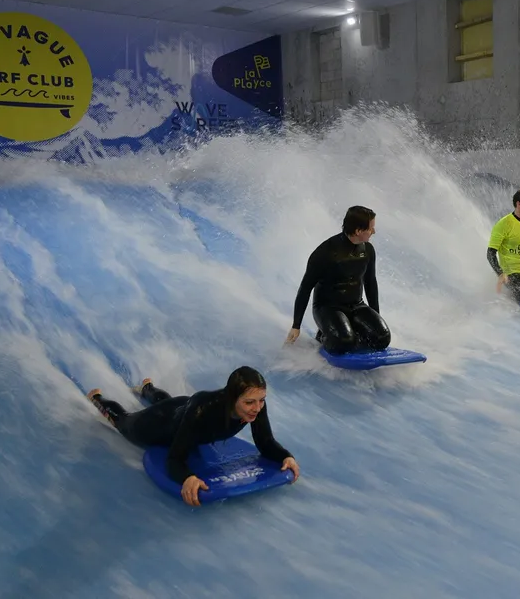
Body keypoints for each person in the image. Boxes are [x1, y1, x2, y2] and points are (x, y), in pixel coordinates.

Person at [87, 366, 299, 507]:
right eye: (249, 402)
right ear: (232, 397)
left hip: (183, 409)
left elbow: (265, 442)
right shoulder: (204, 411)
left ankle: (147, 388)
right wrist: (187, 477)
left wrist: (285, 456)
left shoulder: (256, 406)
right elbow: (174, 458)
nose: (257, 408)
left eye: (261, 400)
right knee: (124, 422)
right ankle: (97, 398)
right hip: (160, 424)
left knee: (169, 403)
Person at [284, 205, 391, 354]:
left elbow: (370, 283)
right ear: (358, 231)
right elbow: (305, 289)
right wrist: (296, 326)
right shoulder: (325, 253)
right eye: (370, 228)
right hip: (328, 308)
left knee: (382, 338)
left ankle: (349, 330)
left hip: (357, 305)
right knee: (344, 343)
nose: (374, 231)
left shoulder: (368, 250)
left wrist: (375, 318)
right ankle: (324, 335)